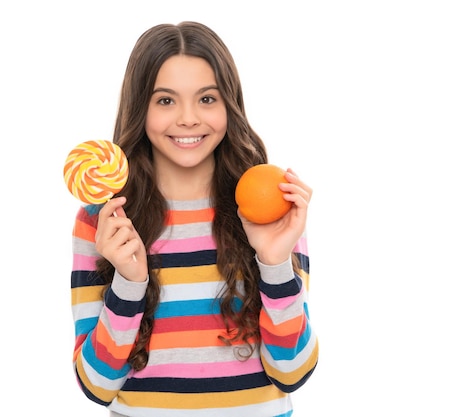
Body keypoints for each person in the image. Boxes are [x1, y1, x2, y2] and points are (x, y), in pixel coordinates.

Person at [70, 21, 318, 417]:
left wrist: (274, 266)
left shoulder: (270, 206)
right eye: (165, 101)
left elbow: (292, 372)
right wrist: (129, 283)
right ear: (141, 108)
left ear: (229, 105)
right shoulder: (105, 220)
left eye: (207, 99)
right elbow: (97, 385)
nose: (188, 118)